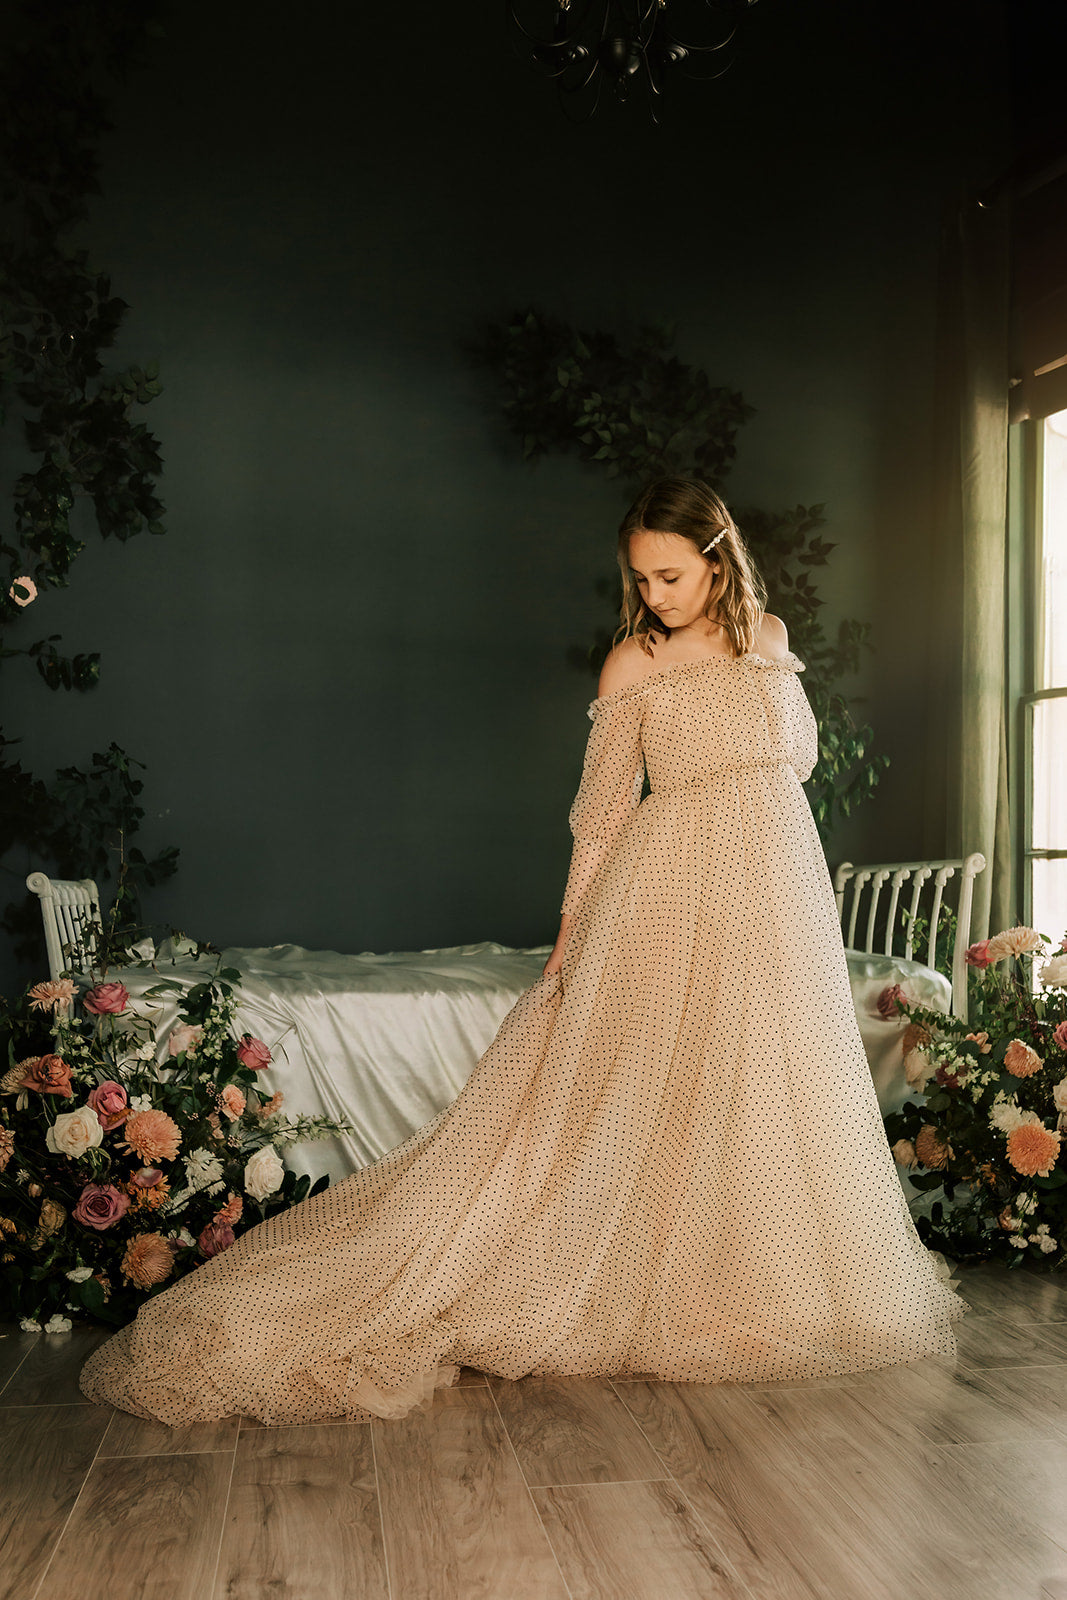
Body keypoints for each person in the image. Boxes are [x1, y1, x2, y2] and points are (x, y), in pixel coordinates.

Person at [81, 477, 969, 1426]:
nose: (657, 595)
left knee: (758, 1086)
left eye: (671, 575)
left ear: (720, 556)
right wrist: (568, 939)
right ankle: (638, 1283)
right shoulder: (634, 663)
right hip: (669, 888)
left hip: (779, 893)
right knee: (649, 1085)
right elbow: (597, 820)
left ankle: (753, 1284)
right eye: (642, 579)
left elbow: (788, 773)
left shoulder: (773, 643)